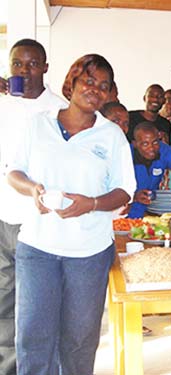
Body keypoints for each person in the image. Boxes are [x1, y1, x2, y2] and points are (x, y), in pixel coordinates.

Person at [7, 54, 136, 375]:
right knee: (34, 337)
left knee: (79, 340)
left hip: (89, 253)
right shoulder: (38, 124)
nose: (95, 90)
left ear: (109, 95)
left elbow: (124, 192)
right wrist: (33, 189)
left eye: (103, 86)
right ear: (72, 81)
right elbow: (13, 172)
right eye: (89, 80)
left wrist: (91, 203)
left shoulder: (112, 136)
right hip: (38, 248)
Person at [0, 38, 67, 375]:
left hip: (40, 222)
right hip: (3, 218)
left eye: (31, 64)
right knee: (3, 300)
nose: (23, 71)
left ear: (45, 67)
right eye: (16, 64)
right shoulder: (2, 104)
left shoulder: (59, 109)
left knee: (39, 305)